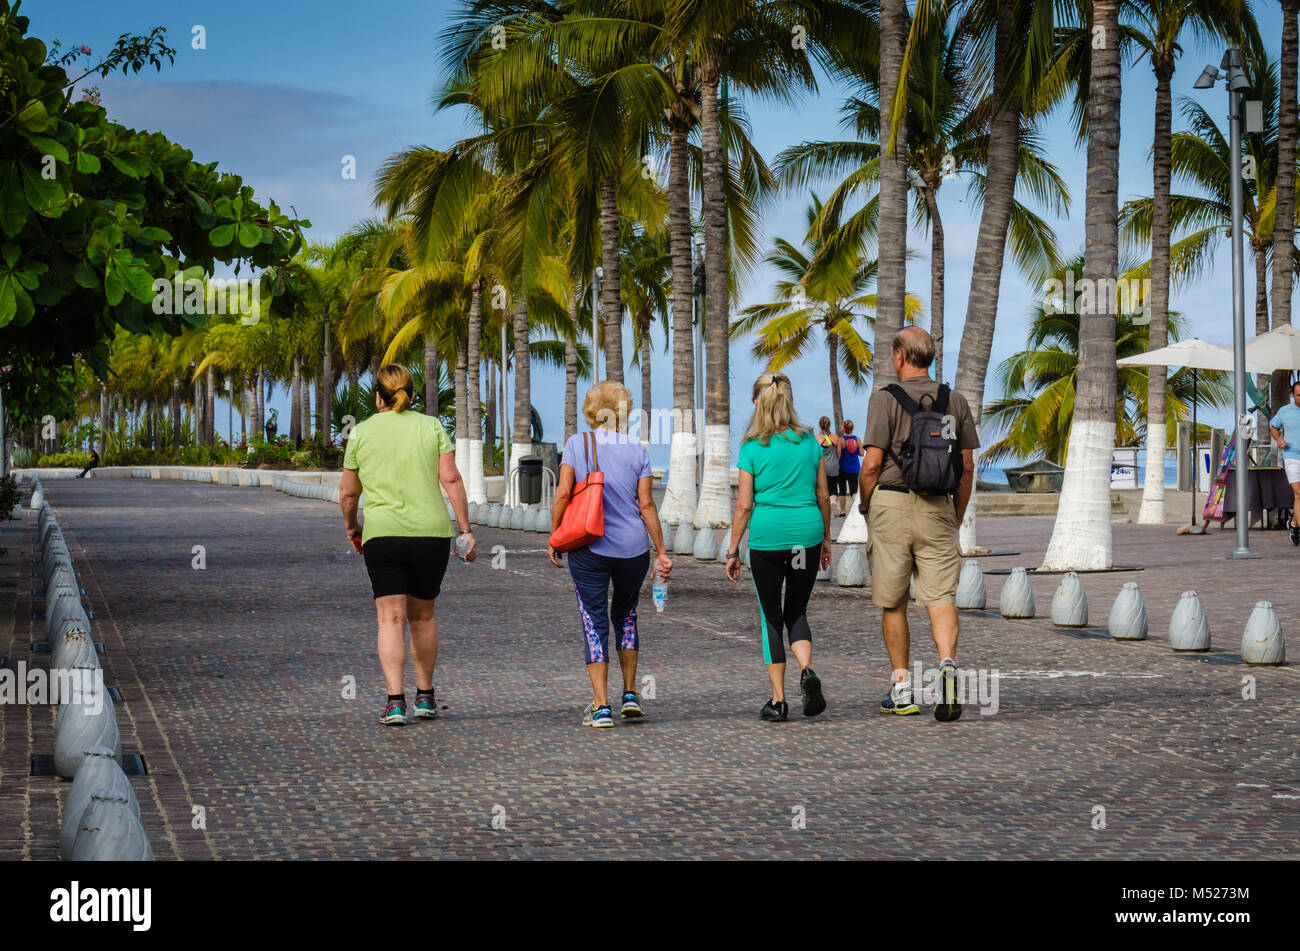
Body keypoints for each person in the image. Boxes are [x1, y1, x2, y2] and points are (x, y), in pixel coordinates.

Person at [338, 364, 476, 727]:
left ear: (378, 398)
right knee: (423, 616)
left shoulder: (362, 432)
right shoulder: (431, 426)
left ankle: (395, 702)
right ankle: (426, 697)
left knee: (391, 618)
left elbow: (349, 492)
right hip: (431, 535)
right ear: (412, 396)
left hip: (383, 535)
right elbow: (452, 479)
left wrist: (353, 528)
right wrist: (466, 529)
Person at [859, 327, 978, 721]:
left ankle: (902, 689)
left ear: (898, 356)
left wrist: (865, 505)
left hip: (891, 506)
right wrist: (954, 517)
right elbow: (966, 469)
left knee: (893, 601)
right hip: (938, 507)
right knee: (940, 597)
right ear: (929, 358)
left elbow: (872, 463)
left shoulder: (884, 400)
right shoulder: (954, 400)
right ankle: (946, 664)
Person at [547, 381, 672, 728]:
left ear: (592, 409)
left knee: (594, 620)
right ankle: (631, 694)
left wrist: (555, 536)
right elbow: (646, 504)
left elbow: (562, 493)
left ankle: (601, 706)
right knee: (627, 614)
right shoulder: (637, 450)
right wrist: (660, 550)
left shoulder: (577, 444)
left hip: (589, 545)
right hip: (633, 549)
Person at [725, 372, 832, 722]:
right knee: (797, 610)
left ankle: (779, 701)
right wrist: (827, 538)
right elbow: (821, 495)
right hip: (805, 539)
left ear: (759, 404)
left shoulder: (753, 447)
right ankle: (807, 670)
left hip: (769, 540)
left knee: (771, 617)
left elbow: (743, 505)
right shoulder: (810, 443)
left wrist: (732, 549)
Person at [1269, 379, 1300, 546]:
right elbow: (1273, 428)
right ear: (1292, 395)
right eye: (1299, 395)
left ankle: (1294, 524)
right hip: (1292, 456)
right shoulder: (1285, 411)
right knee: (1298, 494)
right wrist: (1279, 439)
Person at [816, 417, 843, 516]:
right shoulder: (836, 437)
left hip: (821, 468)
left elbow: (814, 454)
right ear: (829, 425)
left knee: (821, 489)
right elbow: (839, 453)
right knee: (833, 489)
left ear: (820, 425)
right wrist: (835, 461)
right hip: (833, 466)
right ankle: (833, 503)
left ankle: (822, 509)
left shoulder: (816, 438)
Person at [838, 419, 863, 515]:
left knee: (842, 490)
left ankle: (843, 511)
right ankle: (857, 509)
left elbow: (839, 454)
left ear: (843, 429)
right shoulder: (858, 439)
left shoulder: (841, 440)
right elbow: (861, 453)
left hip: (843, 468)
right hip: (854, 468)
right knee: (854, 490)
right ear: (852, 429)